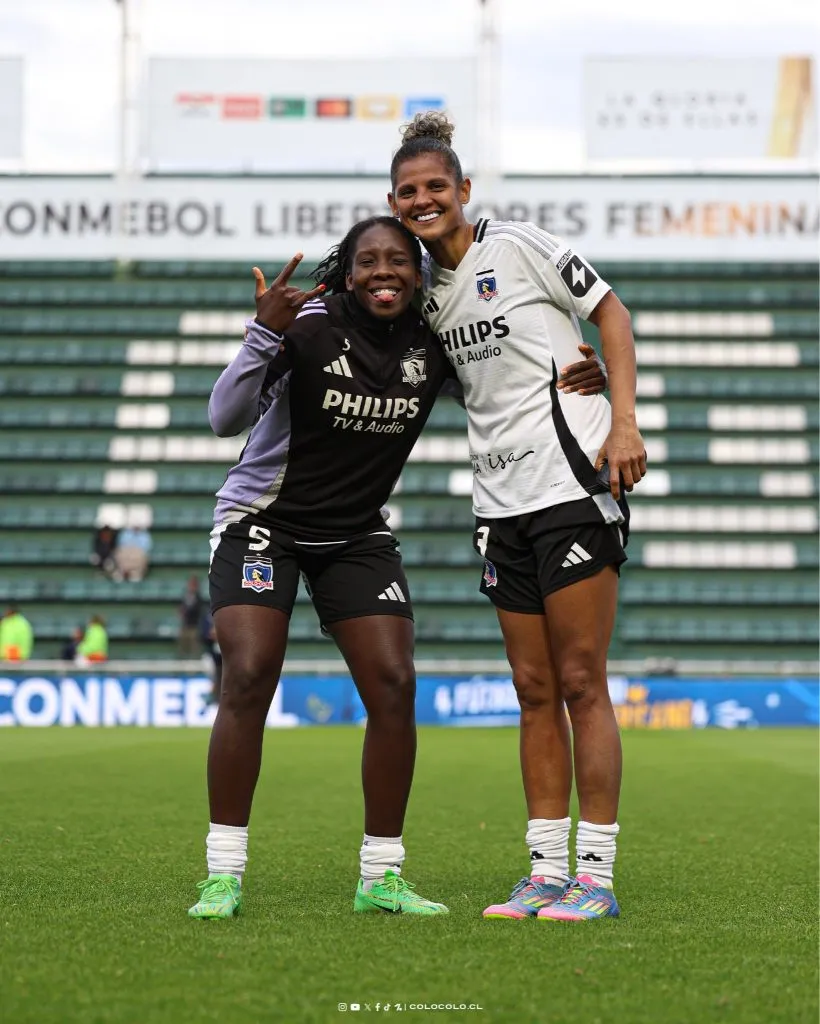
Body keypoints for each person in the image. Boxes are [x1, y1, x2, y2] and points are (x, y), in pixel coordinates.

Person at [190, 214, 612, 921]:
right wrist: (261, 334)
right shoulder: (308, 325)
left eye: (398, 262)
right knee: (250, 673)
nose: (383, 272)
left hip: (355, 534)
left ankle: (380, 874)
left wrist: (578, 368)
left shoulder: (430, 341)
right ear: (346, 272)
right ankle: (223, 872)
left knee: (393, 683)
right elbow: (223, 417)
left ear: (418, 277)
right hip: (264, 522)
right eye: (368, 262)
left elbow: (497, 380)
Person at [388, 112, 646, 923]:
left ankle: (594, 878)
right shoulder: (422, 296)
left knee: (579, 681)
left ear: (465, 191)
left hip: (571, 486)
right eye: (408, 193)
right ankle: (543, 870)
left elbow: (612, 312)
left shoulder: (521, 245)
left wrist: (626, 419)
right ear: (394, 205)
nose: (424, 200)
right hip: (498, 503)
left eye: (436, 187)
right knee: (532, 689)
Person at [178, 576, 204, 657]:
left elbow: (198, 611)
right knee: (182, 648)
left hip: (194, 627)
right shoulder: (185, 597)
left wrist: (187, 611)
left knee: (194, 649)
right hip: (185, 626)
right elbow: (181, 608)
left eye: (193, 585)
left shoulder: (199, 598)